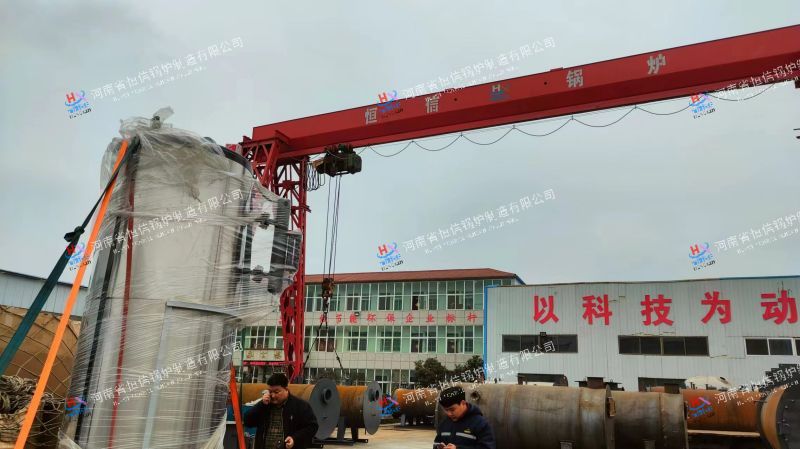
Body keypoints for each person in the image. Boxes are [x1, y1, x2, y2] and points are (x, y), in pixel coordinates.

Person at [244, 373, 319, 449]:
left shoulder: (300, 406)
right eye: (270, 392)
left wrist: (294, 439)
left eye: (276, 392)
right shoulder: (265, 405)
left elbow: (312, 427)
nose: (273, 395)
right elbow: (247, 421)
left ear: (286, 389)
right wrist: (261, 404)